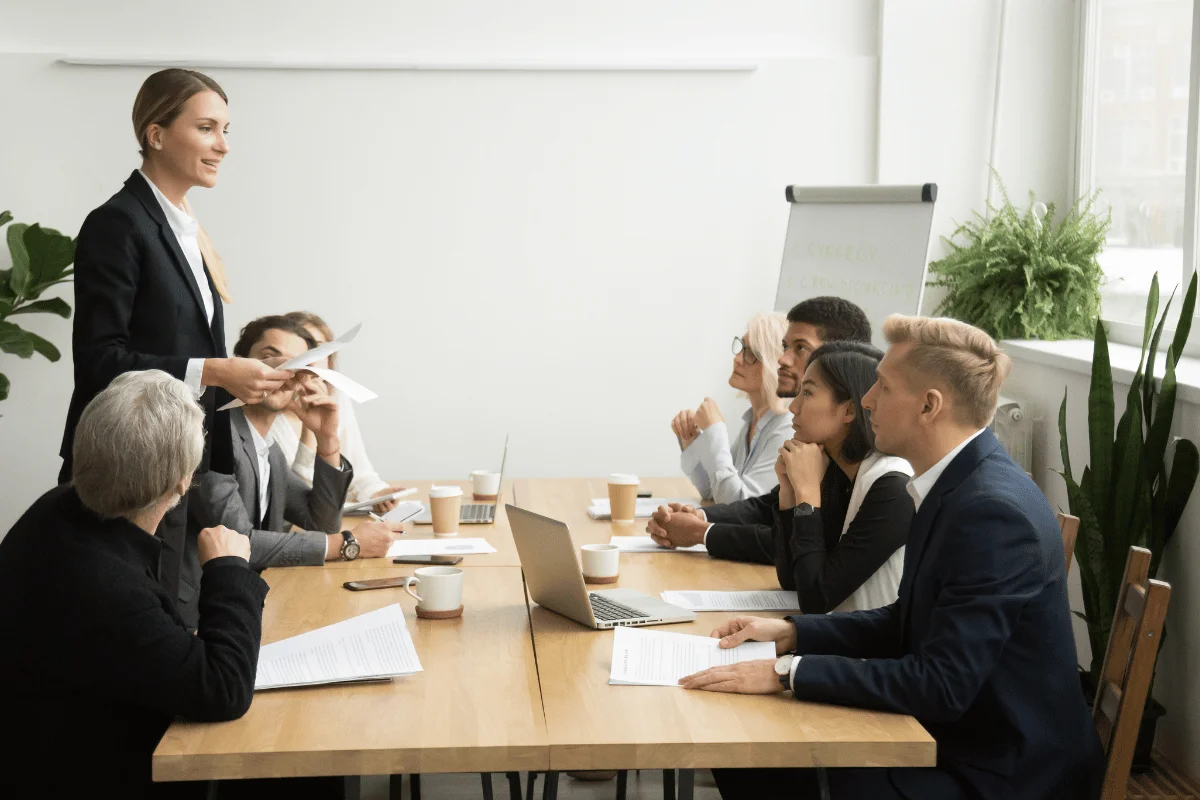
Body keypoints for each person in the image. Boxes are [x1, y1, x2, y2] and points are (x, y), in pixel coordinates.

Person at [679, 315, 1103, 800]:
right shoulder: (956, 482)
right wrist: (795, 633)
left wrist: (788, 671)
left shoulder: (991, 512)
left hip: (1000, 772)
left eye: (882, 386)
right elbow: (910, 620)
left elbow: (942, 683)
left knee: (761, 752)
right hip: (961, 741)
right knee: (750, 748)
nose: (866, 400)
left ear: (929, 406)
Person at [59, 68, 292, 607]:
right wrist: (214, 370)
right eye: (208, 128)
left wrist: (242, 381)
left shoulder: (186, 229)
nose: (223, 146)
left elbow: (183, 341)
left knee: (174, 621)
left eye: (227, 130)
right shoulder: (118, 223)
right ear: (155, 134)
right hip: (127, 474)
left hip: (180, 468)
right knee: (131, 633)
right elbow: (98, 360)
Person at [0, 371, 267, 798]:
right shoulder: (107, 588)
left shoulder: (56, 508)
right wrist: (229, 569)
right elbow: (223, 688)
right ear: (183, 481)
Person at [654, 342, 913, 612]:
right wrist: (789, 493)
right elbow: (792, 580)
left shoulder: (892, 488)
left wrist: (807, 496)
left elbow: (815, 599)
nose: (794, 407)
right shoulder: (837, 471)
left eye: (808, 393)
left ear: (849, 410)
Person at [186, 316, 395, 617]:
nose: (283, 371)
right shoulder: (211, 437)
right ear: (240, 366)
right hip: (202, 613)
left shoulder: (269, 451)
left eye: (298, 363)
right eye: (270, 356)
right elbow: (240, 542)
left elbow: (321, 522)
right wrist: (348, 543)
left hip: (254, 602)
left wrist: (327, 441)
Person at [649, 297, 874, 561]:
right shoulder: (818, 441)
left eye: (799, 348)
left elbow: (793, 547)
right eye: (784, 347)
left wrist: (702, 531)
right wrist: (699, 517)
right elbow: (764, 506)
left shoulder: (867, 470)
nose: (783, 359)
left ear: (841, 357)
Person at [267, 310, 402, 516]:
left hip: (330, 519)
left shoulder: (337, 398)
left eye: (319, 352)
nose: (311, 362)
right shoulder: (267, 409)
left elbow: (358, 468)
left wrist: (376, 492)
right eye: (303, 352)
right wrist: (311, 431)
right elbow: (297, 499)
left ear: (329, 361)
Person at [672, 312, 792, 503]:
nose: (737, 359)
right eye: (741, 347)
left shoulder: (786, 430)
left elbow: (739, 503)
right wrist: (691, 439)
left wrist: (716, 431)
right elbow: (714, 491)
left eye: (752, 353)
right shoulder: (753, 421)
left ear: (774, 364)